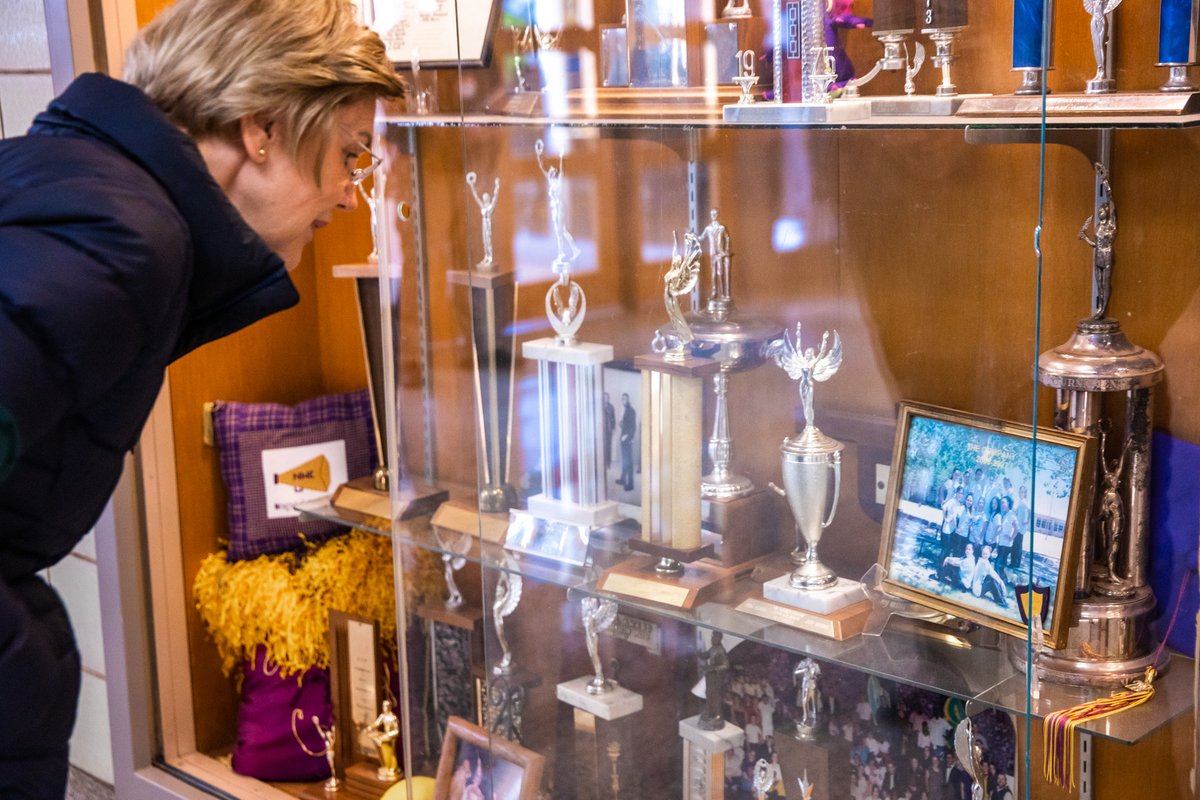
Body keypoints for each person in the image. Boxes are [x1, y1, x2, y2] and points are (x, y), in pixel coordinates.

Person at [0, 1, 404, 795]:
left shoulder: (83, 185)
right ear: (263, 129)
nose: (351, 194)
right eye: (350, 154)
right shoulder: (124, 239)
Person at [618, 392, 637, 491]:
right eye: (622, 399)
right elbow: (623, 424)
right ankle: (622, 479)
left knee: (628, 462)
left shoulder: (631, 411)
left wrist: (629, 438)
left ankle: (630, 484)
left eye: (624, 399)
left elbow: (633, 427)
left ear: (628, 400)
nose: (623, 401)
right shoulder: (624, 410)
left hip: (627, 439)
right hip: (622, 438)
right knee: (625, 460)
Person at [603, 392, 616, 472]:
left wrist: (613, 428)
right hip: (601, 431)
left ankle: (608, 463)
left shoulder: (611, 407)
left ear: (609, 398)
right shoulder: (600, 406)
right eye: (604, 397)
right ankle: (602, 463)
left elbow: (613, 418)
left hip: (609, 429)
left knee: (608, 447)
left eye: (607, 397)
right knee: (602, 447)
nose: (606, 399)